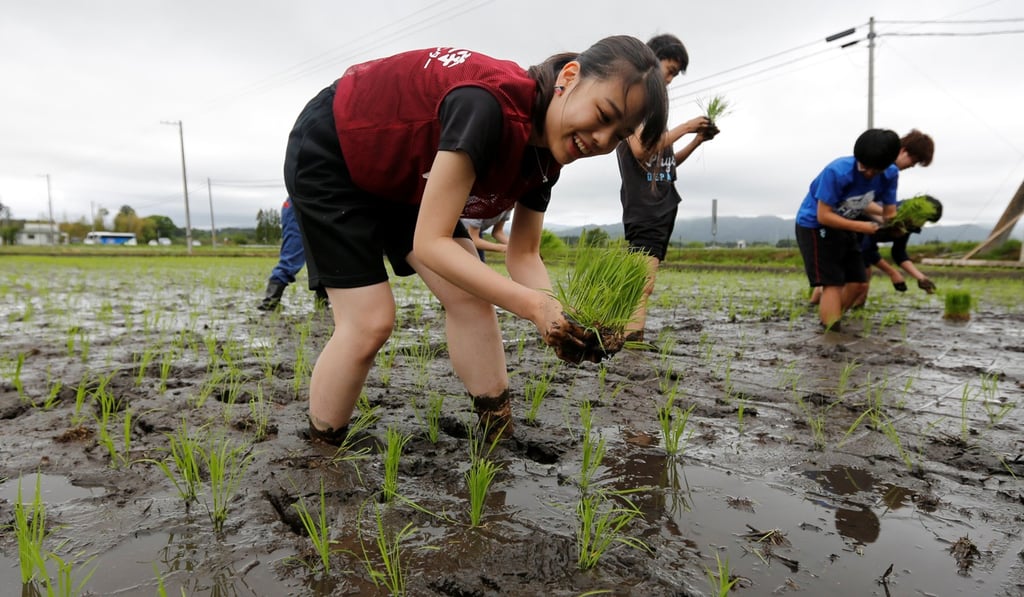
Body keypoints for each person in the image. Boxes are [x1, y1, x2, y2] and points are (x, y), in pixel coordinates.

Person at [283, 37, 669, 444]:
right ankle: (323, 450)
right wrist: (532, 306)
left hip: (409, 175)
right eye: (602, 115)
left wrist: (559, 314)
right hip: (338, 146)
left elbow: (524, 253)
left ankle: (497, 431)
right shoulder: (488, 107)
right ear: (570, 77)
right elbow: (431, 243)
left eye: (618, 134)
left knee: (469, 295)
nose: (601, 140)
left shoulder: (549, 155)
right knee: (369, 322)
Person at [616, 33, 717, 342]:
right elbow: (641, 151)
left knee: (641, 279)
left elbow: (666, 162)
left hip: (662, 203)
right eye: (669, 70)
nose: (670, 79)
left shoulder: (653, 108)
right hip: (646, 206)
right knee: (642, 282)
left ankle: (626, 333)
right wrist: (686, 126)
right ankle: (631, 340)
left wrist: (697, 139)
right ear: (650, 61)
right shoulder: (634, 103)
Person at [809, 129, 936, 307]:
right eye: (913, 162)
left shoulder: (888, 177)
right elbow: (856, 201)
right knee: (837, 279)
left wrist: (890, 220)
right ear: (903, 150)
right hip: (844, 224)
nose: (911, 166)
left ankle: (830, 313)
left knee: (852, 280)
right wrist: (885, 219)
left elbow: (898, 251)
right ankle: (822, 312)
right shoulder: (868, 168)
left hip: (858, 228)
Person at [795, 128, 901, 331]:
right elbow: (823, 215)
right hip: (815, 226)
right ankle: (831, 330)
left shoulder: (890, 174)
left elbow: (888, 213)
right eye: (864, 167)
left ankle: (830, 321)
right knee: (832, 283)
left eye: (875, 170)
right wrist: (863, 227)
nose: (869, 174)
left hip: (845, 224)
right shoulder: (838, 171)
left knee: (858, 282)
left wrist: (896, 226)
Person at [849, 195, 942, 307]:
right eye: (925, 219)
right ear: (917, 212)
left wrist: (921, 278)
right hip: (844, 239)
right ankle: (834, 315)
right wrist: (892, 272)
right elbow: (867, 249)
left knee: (862, 287)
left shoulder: (908, 224)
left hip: (862, 249)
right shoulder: (886, 215)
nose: (923, 224)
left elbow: (899, 252)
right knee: (859, 282)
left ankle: (854, 314)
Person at [256, 197, 329, 311]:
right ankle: (270, 303)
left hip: (325, 205)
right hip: (300, 203)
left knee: (327, 257)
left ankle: (322, 302)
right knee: (291, 256)